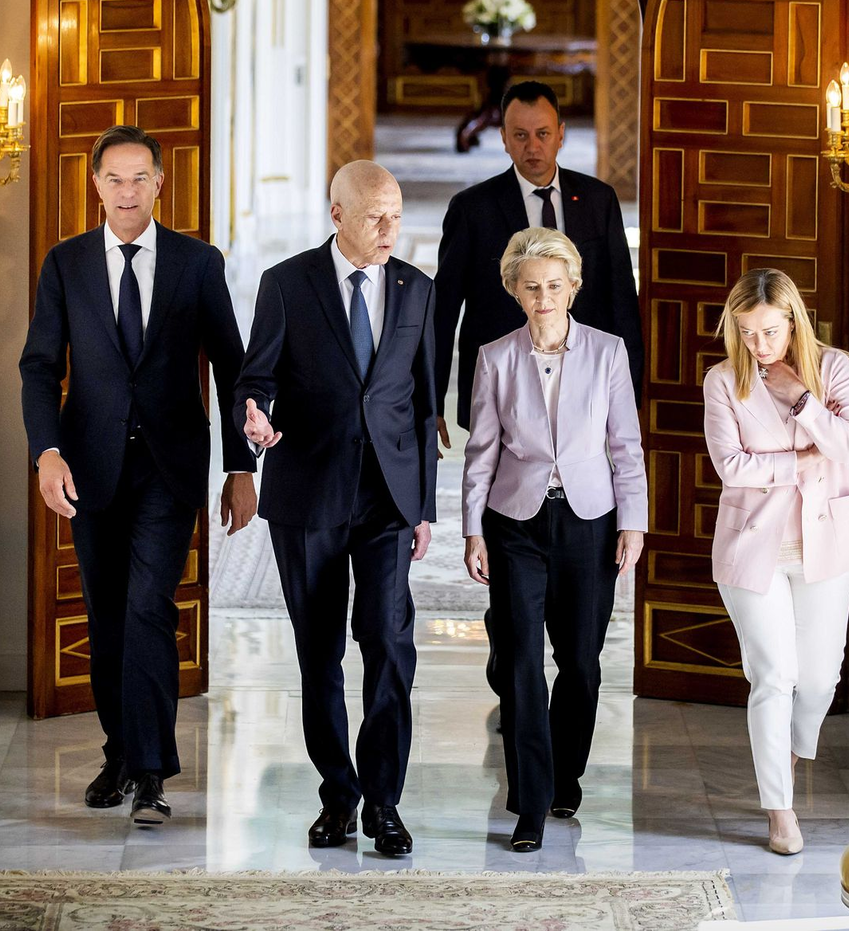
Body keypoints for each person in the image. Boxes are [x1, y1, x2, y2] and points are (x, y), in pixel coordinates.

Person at [20, 124, 255, 826]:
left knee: (151, 604)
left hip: (169, 466)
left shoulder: (196, 263)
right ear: (95, 185)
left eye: (140, 177)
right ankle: (120, 750)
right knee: (108, 611)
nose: (127, 191)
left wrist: (242, 467)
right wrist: (46, 451)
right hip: (88, 467)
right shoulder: (64, 264)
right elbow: (39, 366)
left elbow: (234, 365)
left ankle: (152, 772)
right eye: (114, 178)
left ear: (160, 183)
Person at [234, 160, 436, 858]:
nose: (390, 230)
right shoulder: (286, 283)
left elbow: (423, 403)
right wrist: (253, 419)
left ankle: (384, 801)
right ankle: (338, 795)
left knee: (387, 640)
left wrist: (425, 505)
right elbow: (254, 377)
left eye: (397, 214)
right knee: (318, 652)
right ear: (337, 214)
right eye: (375, 216)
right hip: (308, 493)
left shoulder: (417, 288)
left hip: (386, 497)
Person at [461, 228, 646, 852]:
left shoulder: (608, 352)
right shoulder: (493, 357)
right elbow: (480, 452)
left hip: (589, 521)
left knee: (583, 666)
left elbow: (625, 445)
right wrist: (471, 530)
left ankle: (565, 774)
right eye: (532, 287)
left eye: (555, 285)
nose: (544, 297)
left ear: (575, 286)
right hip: (515, 523)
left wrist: (633, 521)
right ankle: (531, 803)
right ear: (515, 291)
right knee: (520, 665)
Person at [703, 267, 849, 856]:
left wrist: (800, 400)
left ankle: (792, 754)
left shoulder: (832, 369)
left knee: (821, 677)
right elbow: (731, 466)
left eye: (770, 332)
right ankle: (779, 810)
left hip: (826, 544)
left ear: (792, 321)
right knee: (773, 676)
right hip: (752, 548)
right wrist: (798, 464)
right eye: (748, 333)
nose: (759, 346)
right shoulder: (723, 381)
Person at [434, 79, 642, 447]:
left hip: (582, 377)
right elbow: (444, 310)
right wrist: (431, 401)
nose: (533, 147)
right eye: (520, 135)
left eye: (543, 133)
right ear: (502, 138)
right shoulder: (471, 209)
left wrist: (631, 391)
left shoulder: (598, 200)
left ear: (561, 134)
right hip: (501, 381)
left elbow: (622, 300)